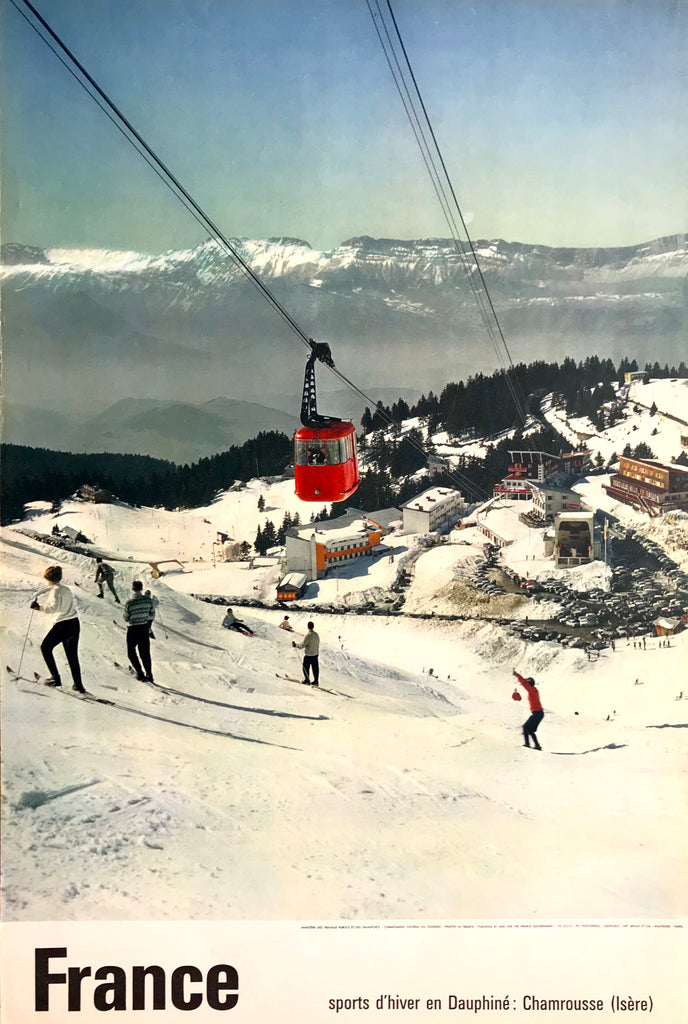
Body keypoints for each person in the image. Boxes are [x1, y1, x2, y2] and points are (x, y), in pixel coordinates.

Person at [30, 565, 86, 692]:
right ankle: (79, 685)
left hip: (62, 625)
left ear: (49, 578)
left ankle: (55, 678)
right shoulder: (66, 589)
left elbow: (53, 608)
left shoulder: (55, 590)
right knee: (72, 656)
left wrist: (39, 608)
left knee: (45, 647)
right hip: (74, 623)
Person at [124, 581, 156, 682]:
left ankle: (140, 673)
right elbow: (151, 614)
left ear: (133, 588)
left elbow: (126, 617)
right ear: (141, 588)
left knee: (131, 652)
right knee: (145, 653)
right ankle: (149, 674)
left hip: (133, 629)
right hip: (144, 628)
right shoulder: (148, 601)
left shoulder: (129, 602)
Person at [513, 669, 544, 750]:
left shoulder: (532, 690)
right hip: (538, 713)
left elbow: (524, 683)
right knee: (530, 730)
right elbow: (525, 683)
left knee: (526, 727)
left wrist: (517, 675)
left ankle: (528, 744)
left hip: (537, 713)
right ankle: (537, 746)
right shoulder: (533, 690)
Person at [292, 621, 320, 686]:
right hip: (315, 654)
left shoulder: (308, 635)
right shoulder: (316, 634)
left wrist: (296, 645)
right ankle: (316, 681)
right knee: (315, 668)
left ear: (308, 626)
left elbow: (302, 645)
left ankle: (307, 680)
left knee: (305, 667)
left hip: (309, 655)